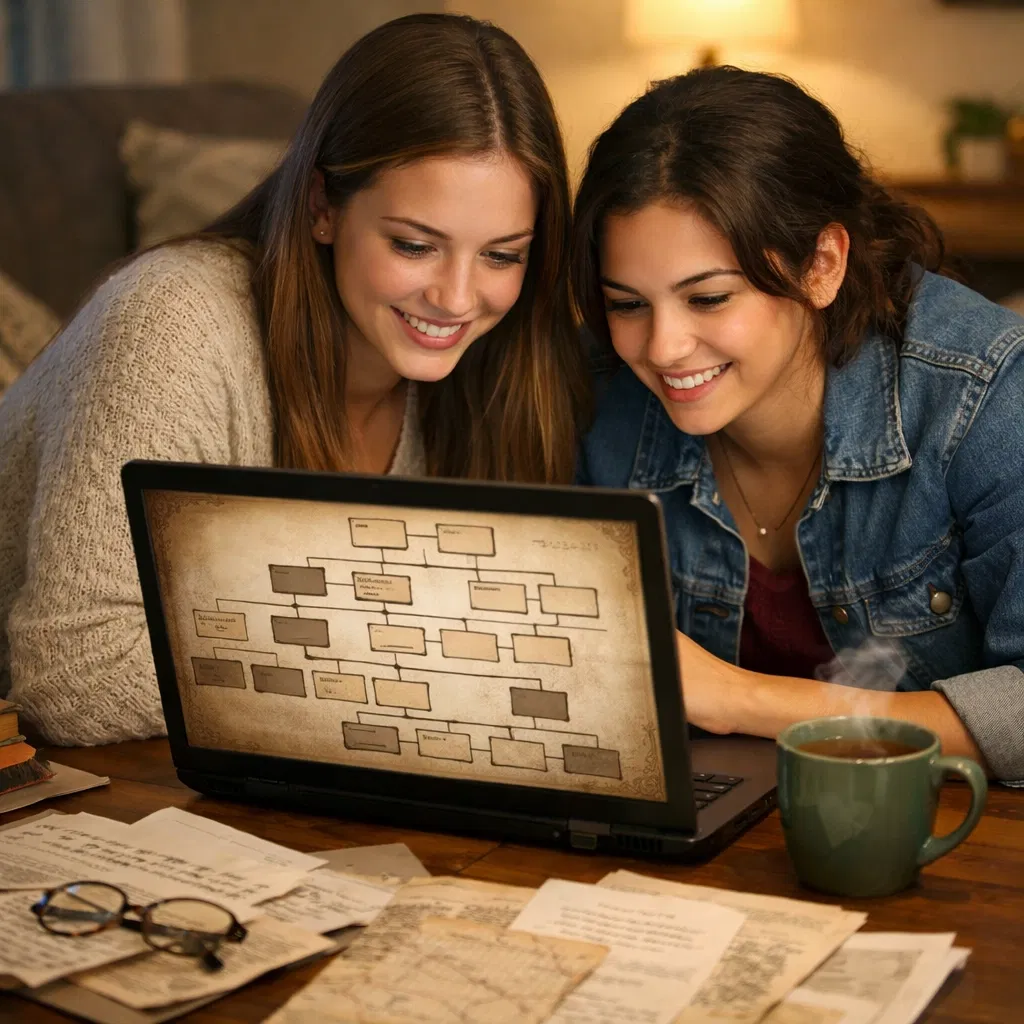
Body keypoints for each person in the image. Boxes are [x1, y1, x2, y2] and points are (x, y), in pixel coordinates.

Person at [0, 13, 588, 746]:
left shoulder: (504, 361)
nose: (459, 299)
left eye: (502, 255)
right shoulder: (172, 323)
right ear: (322, 209)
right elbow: (76, 675)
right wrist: (410, 659)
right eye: (414, 244)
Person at [572, 67, 1024, 784]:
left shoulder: (986, 392)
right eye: (628, 304)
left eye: (709, 298)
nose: (661, 349)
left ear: (823, 264)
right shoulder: (597, 400)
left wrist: (742, 699)